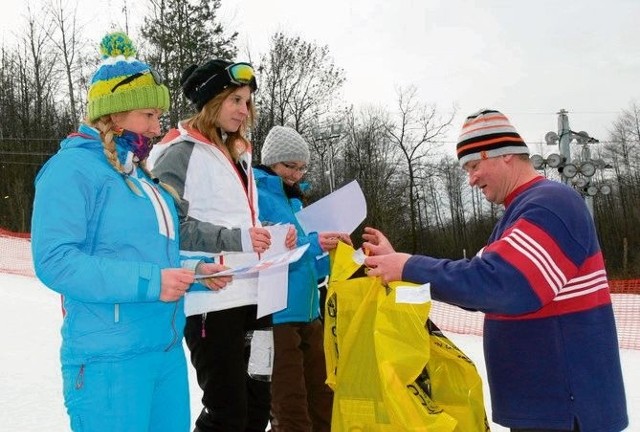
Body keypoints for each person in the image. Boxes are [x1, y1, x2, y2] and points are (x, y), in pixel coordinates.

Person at [362, 109, 628, 432]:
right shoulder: (516, 215)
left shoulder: (549, 204)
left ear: (503, 156)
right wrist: (401, 271)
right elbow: (476, 281)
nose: (470, 178)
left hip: (565, 410)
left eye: (473, 165)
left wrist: (409, 265)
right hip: (546, 408)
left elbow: (502, 282)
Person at [30, 32, 230, 432]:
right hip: (110, 361)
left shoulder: (140, 176)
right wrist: (152, 282)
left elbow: (152, 257)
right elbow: (55, 260)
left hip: (164, 352)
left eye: (158, 117)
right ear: (113, 115)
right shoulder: (72, 169)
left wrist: (195, 272)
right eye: (148, 116)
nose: (157, 129)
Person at [149, 59, 286, 432]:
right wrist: (239, 239)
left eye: (247, 102)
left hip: (257, 301)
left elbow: (241, 220)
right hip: (213, 301)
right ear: (212, 100)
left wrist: (271, 234)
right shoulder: (178, 152)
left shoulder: (239, 153)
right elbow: (168, 226)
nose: (244, 111)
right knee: (227, 414)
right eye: (235, 100)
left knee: (258, 409)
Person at [254, 125, 352, 432]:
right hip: (276, 317)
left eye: (301, 167)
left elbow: (311, 264)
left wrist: (335, 254)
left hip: (310, 314)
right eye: (289, 166)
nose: (296, 174)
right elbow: (270, 248)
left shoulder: (294, 201)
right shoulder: (255, 195)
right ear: (271, 161)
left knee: (323, 403)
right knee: (290, 406)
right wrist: (314, 244)